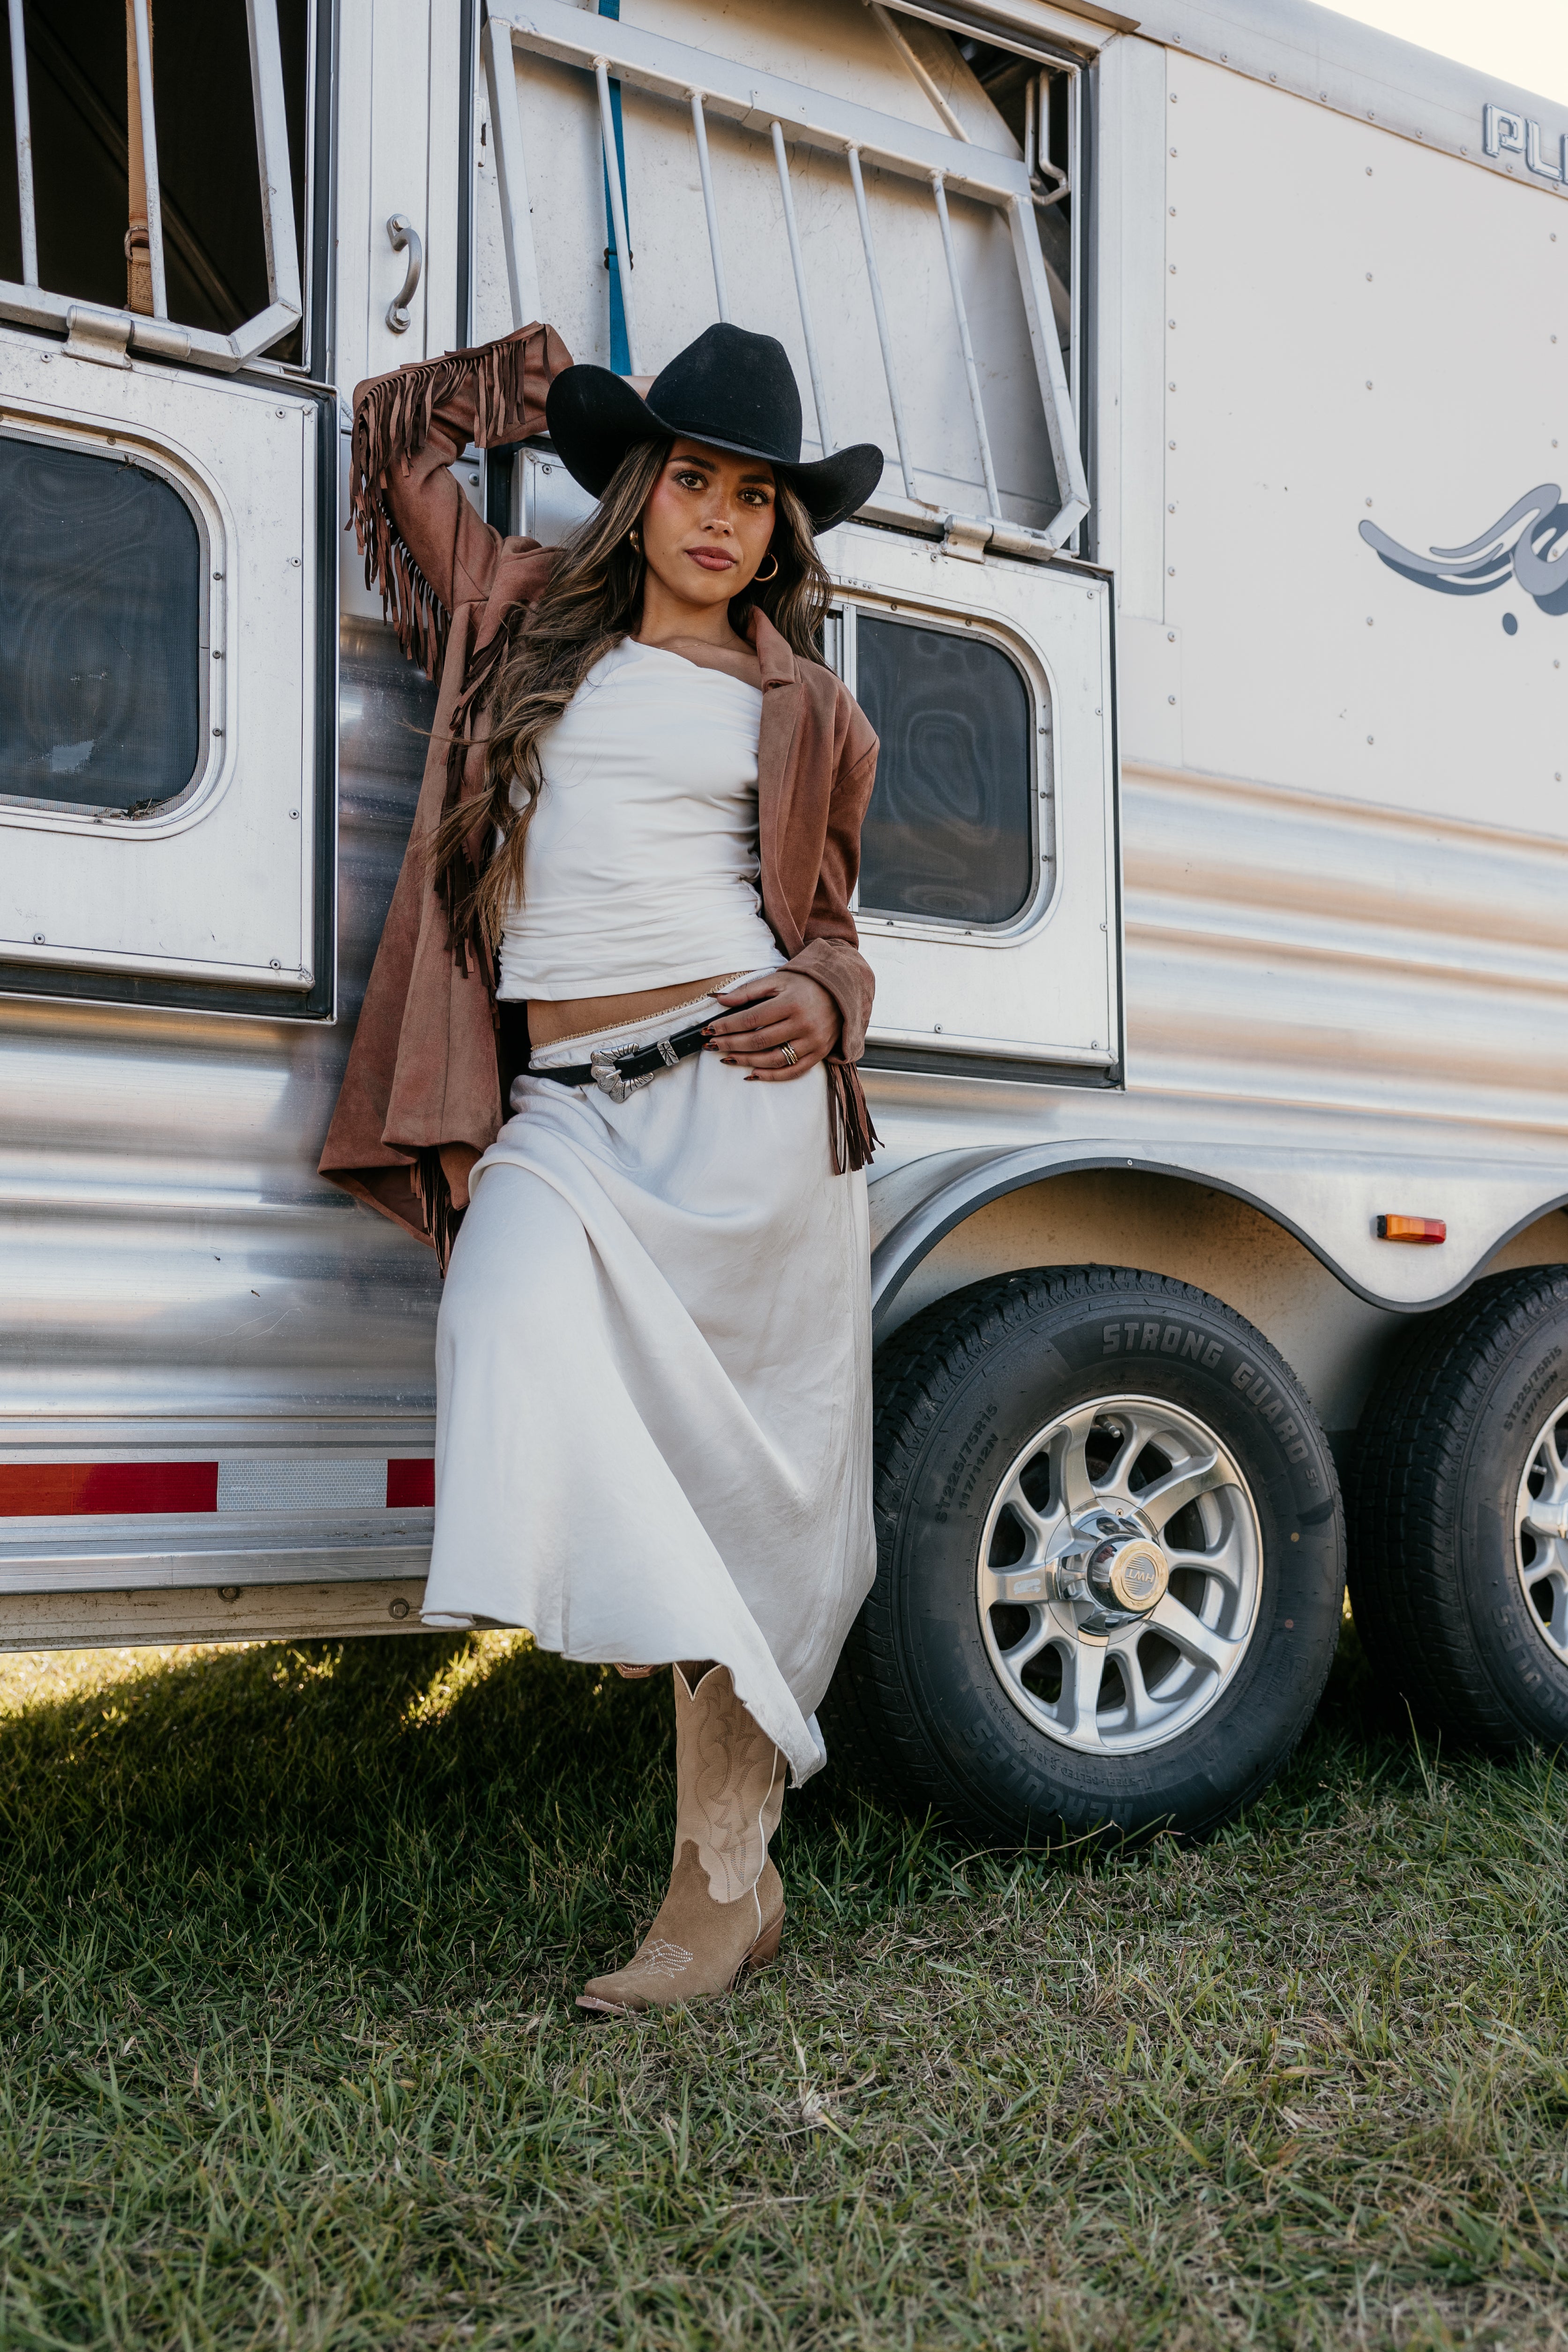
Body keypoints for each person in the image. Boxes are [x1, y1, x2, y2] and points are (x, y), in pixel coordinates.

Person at [319, 319, 886, 2014]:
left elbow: (842, 931)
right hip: (560, 1101)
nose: (721, 518)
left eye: (756, 497)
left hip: (747, 1114)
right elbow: (387, 444)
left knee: (743, 1504)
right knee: (501, 1323)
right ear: (638, 490)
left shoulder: (809, 708)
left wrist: (821, 993)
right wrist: (535, 384)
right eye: (692, 478)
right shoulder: (513, 617)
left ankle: (721, 1887)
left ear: (785, 532)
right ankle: (682, 1725)